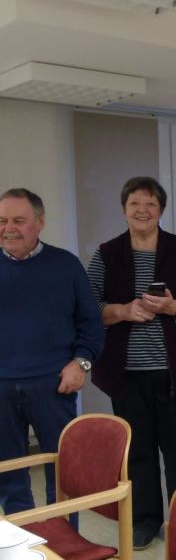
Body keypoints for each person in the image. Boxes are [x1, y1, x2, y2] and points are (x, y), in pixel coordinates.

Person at [87, 176, 176, 550]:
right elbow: (88, 308)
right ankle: (145, 520)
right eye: (134, 204)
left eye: (151, 204)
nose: (142, 210)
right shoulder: (107, 253)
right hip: (126, 375)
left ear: (161, 209)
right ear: (124, 209)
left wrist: (173, 307)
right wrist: (122, 311)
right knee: (138, 451)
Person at [0, 188, 103, 514]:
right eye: (2, 221)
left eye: (19, 220)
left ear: (40, 223)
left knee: (61, 473)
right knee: (8, 474)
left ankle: (63, 545)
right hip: (1, 388)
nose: (9, 228)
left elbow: (92, 325)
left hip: (54, 385)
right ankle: (23, 542)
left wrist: (81, 364)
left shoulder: (65, 265)